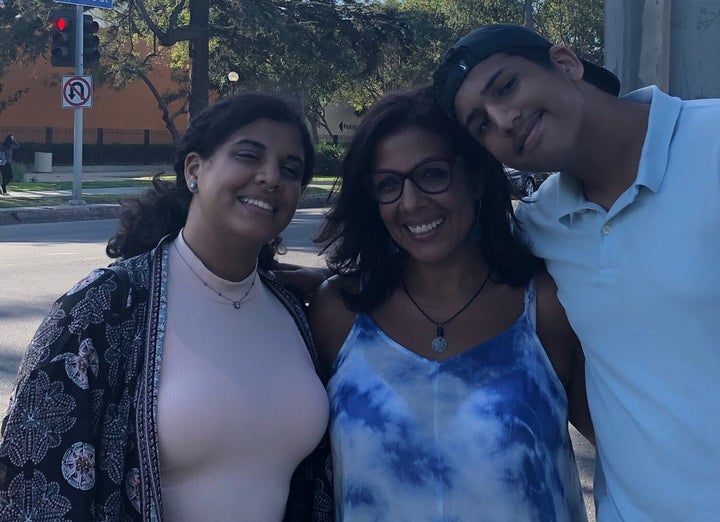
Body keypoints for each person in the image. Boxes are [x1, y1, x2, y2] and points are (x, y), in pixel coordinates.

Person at [433, 23, 720, 521]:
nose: (502, 120)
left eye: (506, 86)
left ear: (565, 64)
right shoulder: (541, 225)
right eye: (479, 124)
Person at [0, 94, 333, 521]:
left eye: (291, 170)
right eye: (249, 155)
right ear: (194, 170)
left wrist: (332, 285)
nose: (271, 177)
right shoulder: (102, 307)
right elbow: (32, 486)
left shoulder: (295, 312)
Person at [310, 86, 591, 521]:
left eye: (433, 174)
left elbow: (631, 450)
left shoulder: (547, 306)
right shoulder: (339, 313)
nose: (411, 201)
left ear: (477, 178)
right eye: (388, 184)